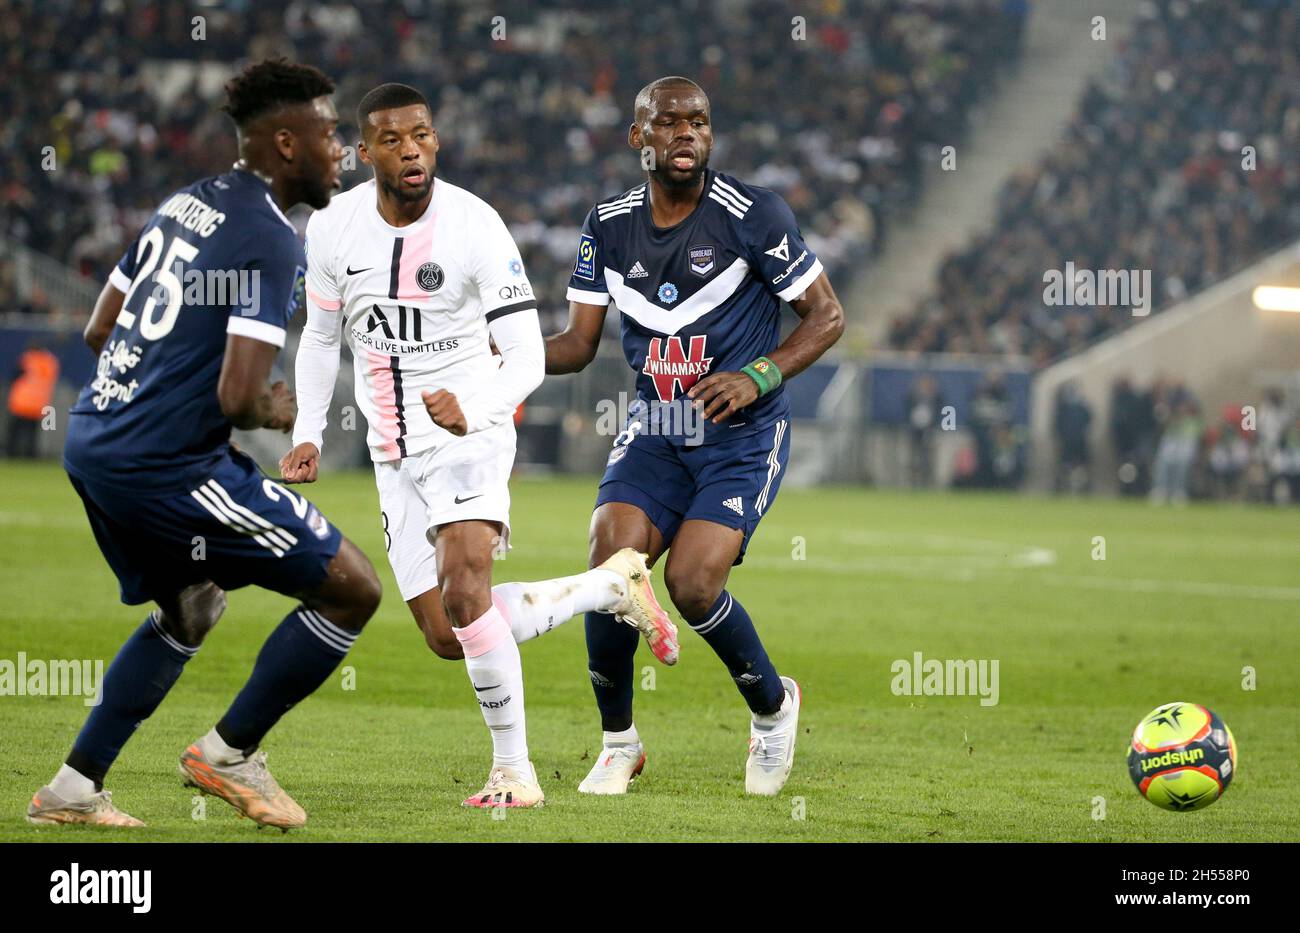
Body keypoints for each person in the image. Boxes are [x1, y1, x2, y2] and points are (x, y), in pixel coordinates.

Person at [279, 83, 675, 810]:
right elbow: (322, 335)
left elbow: (526, 354)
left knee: (468, 590)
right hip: (390, 447)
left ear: (436, 140)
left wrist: (477, 409)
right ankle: (608, 587)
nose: (411, 150)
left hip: (471, 433)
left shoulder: (476, 226)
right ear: (364, 151)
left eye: (422, 135)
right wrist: (308, 430)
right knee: (446, 631)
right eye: (393, 140)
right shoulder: (332, 225)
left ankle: (514, 773)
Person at [27, 59, 380, 831]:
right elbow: (237, 396)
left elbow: (98, 330)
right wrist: (278, 405)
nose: (341, 152)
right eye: (330, 134)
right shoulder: (270, 237)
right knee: (353, 586)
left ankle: (71, 789)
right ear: (286, 143)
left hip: (93, 440)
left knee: (191, 604)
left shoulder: (186, 202)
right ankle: (229, 752)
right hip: (166, 464)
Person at [546, 76, 845, 796]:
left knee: (690, 581)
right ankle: (620, 744)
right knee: (609, 569)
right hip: (659, 427)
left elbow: (827, 316)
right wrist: (491, 351)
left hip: (743, 435)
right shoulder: (608, 224)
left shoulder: (754, 214)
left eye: (700, 122)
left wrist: (761, 374)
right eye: (669, 122)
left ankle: (774, 710)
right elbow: (577, 344)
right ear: (636, 137)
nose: (687, 133)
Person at [6, 341, 59, 457]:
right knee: (32, 434)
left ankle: (10, 454)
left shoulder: (28, 360)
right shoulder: (50, 362)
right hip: (38, 405)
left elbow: (14, 377)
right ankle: (30, 455)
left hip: (21, 403)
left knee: (14, 432)